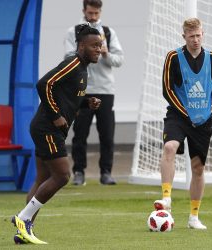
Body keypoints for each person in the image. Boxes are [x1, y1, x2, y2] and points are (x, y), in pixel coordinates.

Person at [11, 24, 103, 244]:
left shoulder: (82, 68)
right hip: (47, 128)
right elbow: (44, 84)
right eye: (94, 45)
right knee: (62, 176)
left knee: (42, 178)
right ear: (81, 46)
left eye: (100, 45)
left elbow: (67, 97)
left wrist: (86, 102)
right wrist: (55, 116)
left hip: (46, 128)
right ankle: (23, 218)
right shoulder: (72, 63)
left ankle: (24, 231)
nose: (99, 49)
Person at [153, 18, 212, 230]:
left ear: (203, 33)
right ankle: (166, 198)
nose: (195, 39)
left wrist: (206, 113)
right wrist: (186, 113)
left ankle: (194, 217)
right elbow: (167, 89)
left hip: (203, 120)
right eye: (191, 36)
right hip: (178, 116)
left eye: (198, 35)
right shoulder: (173, 57)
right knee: (169, 147)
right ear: (184, 36)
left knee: (198, 168)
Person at [64, 0, 124, 186]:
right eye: (90, 13)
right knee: (80, 133)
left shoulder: (108, 32)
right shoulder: (73, 32)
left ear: (100, 12)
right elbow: (67, 59)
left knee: (106, 134)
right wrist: (86, 49)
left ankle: (106, 172)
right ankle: (79, 172)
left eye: (96, 13)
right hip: (81, 90)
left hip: (105, 90)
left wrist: (105, 53)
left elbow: (119, 60)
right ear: (84, 11)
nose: (93, 17)